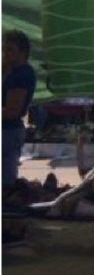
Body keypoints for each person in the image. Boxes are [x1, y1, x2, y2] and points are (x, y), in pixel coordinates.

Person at [3, 31, 37, 190]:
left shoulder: (22, 74)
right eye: (4, 49)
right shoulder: (10, 71)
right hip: (8, 130)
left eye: (10, 50)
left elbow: (12, 111)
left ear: (22, 52)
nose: (5, 53)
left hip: (9, 131)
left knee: (6, 181)